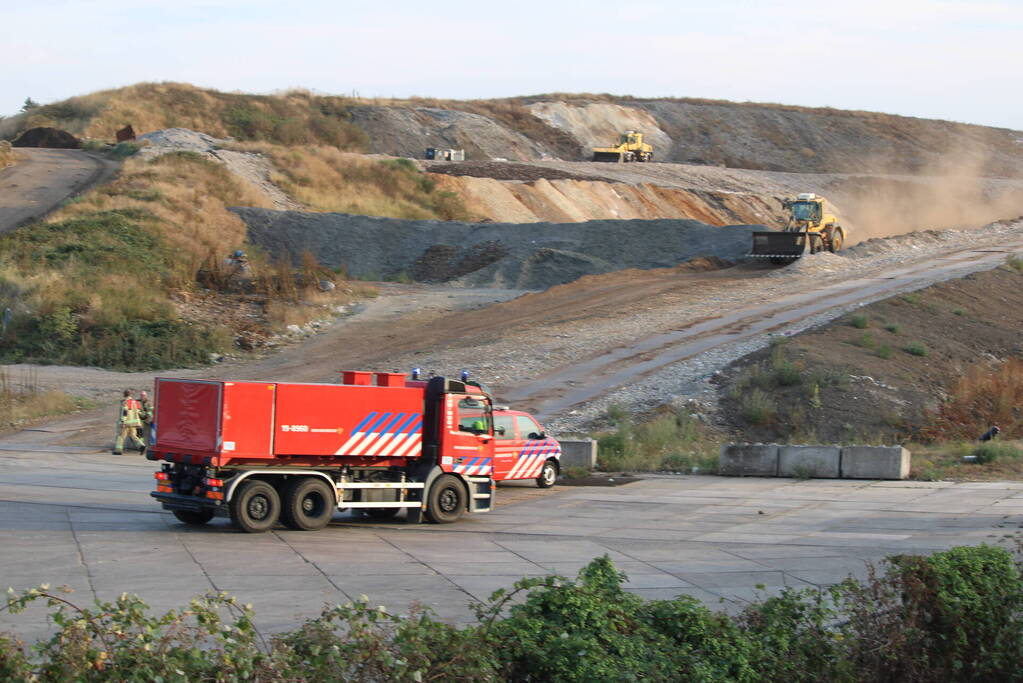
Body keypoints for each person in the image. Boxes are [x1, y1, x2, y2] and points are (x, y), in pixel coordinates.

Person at [113, 389, 145, 455]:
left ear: (124, 394)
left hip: (126, 423)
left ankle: (118, 451)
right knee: (133, 435)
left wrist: (122, 422)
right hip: (134, 423)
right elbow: (140, 412)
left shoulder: (125, 402)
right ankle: (141, 446)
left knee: (121, 436)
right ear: (130, 394)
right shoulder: (136, 402)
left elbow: (124, 413)